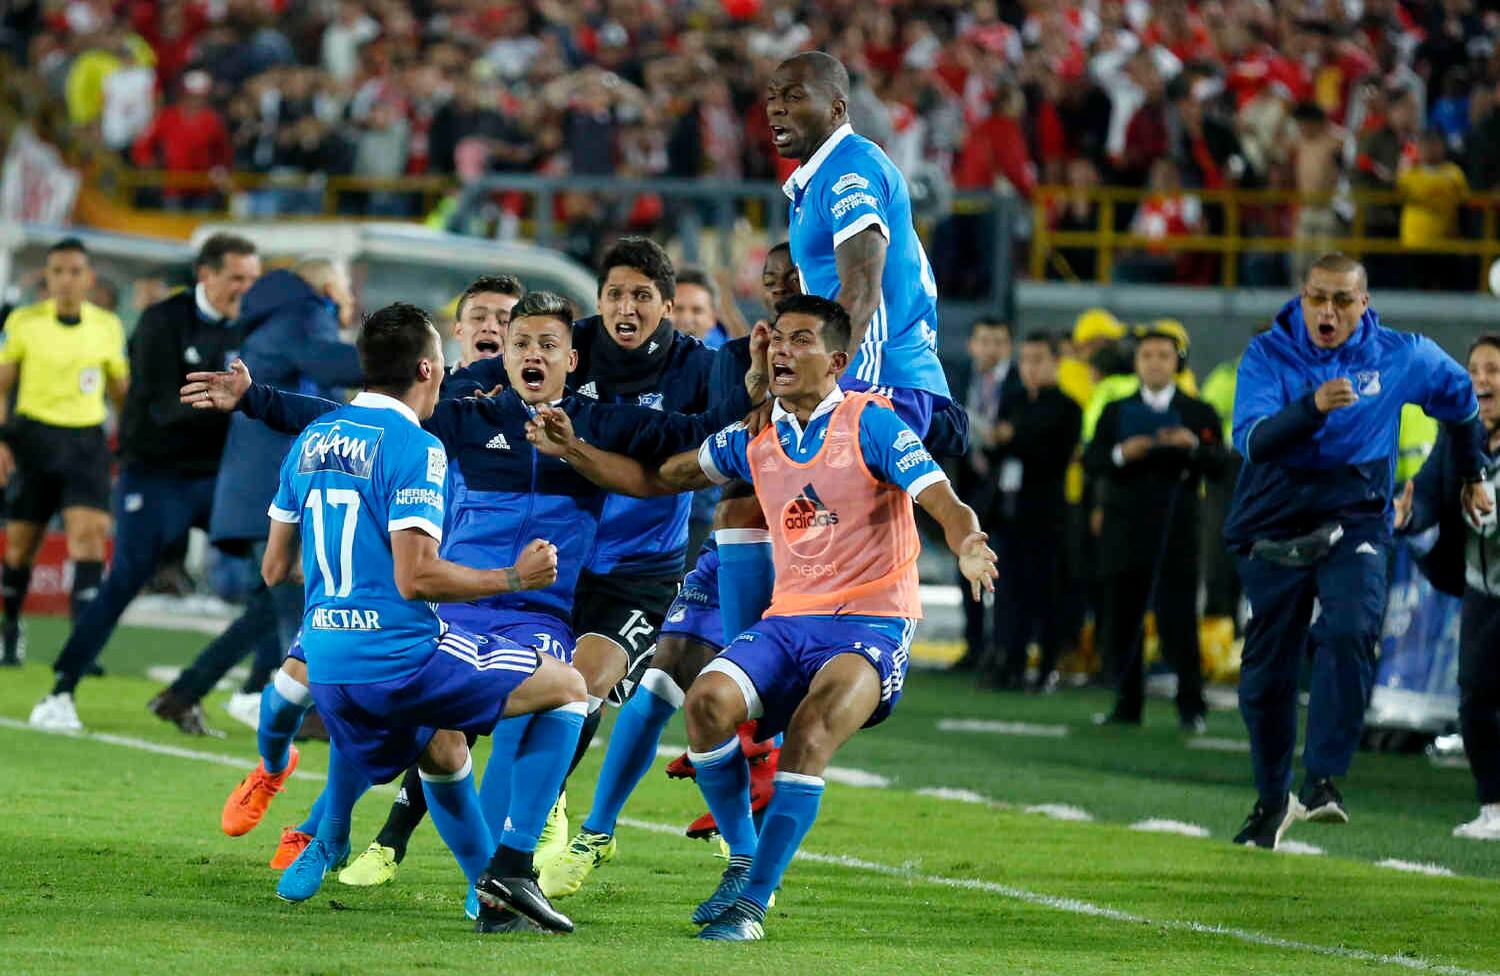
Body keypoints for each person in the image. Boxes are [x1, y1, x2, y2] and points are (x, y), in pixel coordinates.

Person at [186, 291, 756, 898]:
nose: (533, 354)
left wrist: (746, 389)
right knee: (386, 700)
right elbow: (359, 420)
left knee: (540, 709)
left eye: (548, 345)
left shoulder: (598, 425)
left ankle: (500, 870)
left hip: (536, 613)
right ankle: (332, 832)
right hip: (453, 603)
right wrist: (256, 399)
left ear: (571, 359)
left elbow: (688, 431)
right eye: (521, 343)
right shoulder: (469, 419)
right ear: (504, 356)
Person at [524, 295, 997, 941]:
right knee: (704, 704)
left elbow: (942, 499)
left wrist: (968, 543)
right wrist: (574, 448)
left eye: (801, 341)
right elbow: (658, 479)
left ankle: (750, 905)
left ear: (837, 362)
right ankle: (744, 857)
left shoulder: (872, 423)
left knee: (810, 731)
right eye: (778, 339)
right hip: (788, 621)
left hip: (870, 621)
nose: (781, 351)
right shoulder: (754, 436)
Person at [255, 300, 586, 934]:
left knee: (442, 746)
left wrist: (353, 580)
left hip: (326, 661)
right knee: (568, 688)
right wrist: (514, 578)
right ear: (429, 369)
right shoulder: (417, 446)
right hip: (399, 656)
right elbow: (418, 577)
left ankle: (476, 889)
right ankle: (514, 867)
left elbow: (275, 568)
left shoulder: (313, 437)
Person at [543, 246, 796, 895]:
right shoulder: (738, 358)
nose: (779, 289)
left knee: (757, 698)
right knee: (663, 677)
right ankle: (596, 831)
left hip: (789, 552)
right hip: (714, 542)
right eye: (771, 281)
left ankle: (749, 827)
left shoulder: (741, 361)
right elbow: (705, 456)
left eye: (791, 279)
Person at [1224, 252, 1491, 850]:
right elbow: (1255, 442)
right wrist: (1312, 407)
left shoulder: (1403, 354)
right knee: (1266, 677)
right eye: (1318, 298)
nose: (1329, 311)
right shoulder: (1268, 354)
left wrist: (1472, 471)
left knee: (1351, 629)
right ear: (1302, 297)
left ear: (1364, 304)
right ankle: (1271, 799)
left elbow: (1463, 404)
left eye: (1343, 300)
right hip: (1272, 518)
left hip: (1357, 517)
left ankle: (1322, 780)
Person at [32, 235, 260, 730]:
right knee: (126, 579)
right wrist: (228, 398)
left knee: (280, 579)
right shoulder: (163, 321)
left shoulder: (253, 323)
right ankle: (60, 693)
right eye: (236, 278)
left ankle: (233, 692)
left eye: (252, 279)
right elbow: (158, 407)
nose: (246, 289)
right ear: (206, 275)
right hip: (156, 474)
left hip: (219, 477)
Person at [146, 257, 362, 735]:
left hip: (258, 486)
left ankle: (184, 693)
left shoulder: (274, 320)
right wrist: (407, 362)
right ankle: (308, 710)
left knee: (272, 607)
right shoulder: (305, 315)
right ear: (329, 286)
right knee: (303, 603)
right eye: (346, 286)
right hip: (279, 490)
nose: (350, 298)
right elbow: (335, 364)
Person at [0, 240, 128, 684]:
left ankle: (81, 646)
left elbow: (120, 390)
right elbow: (2, 386)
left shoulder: (107, 326)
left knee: (89, 540)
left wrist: (130, 438)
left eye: (75, 271)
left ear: (88, 278)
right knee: (20, 547)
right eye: (58, 271)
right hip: (32, 440)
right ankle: (10, 630)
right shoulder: (23, 322)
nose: (66, 279)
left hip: (86, 442)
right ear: (48, 278)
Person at [1086, 330, 1224, 729]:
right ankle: (1127, 705)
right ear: (1136, 362)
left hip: (1176, 528)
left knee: (1178, 620)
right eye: (1147, 355)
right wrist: (1122, 453)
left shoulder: (1198, 411)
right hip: (1125, 527)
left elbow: (1220, 464)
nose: (1155, 363)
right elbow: (1093, 458)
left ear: (1177, 362)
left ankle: (1191, 706)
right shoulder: (1116, 409)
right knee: (1123, 618)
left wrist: (1192, 445)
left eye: (1164, 355)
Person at [1396, 334, 1500, 841]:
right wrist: (1407, 515)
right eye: (1474, 370)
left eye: (1493, 370)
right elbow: (1427, 493)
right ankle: (1494, 807)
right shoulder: (1459, 437)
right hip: (1482, 585)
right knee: (1475, 695)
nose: (1481, 380)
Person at [984, 332, 1081, 691]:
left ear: (1056, 362)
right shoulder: (1013, 400)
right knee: (1008, 591)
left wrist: (1014, 438)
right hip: (1009, 510)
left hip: (1047, 512)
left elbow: (1055, 457)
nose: (1030, 368)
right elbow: (999, 450)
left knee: (1046, 592)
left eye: (1038, 360)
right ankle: (1008, 662)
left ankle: (1046, 667)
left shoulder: (1068, 408)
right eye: (1025, 360)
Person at [946, 316, 1020, 671]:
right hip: (966, 485)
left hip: (1007, 490)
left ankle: (1002, 648)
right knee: (965, 564)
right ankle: (974, 645)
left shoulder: (1020, 382)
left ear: (1008, 346)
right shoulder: (957, 380)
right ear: (972, 345)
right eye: (984, 341)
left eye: (998, 341)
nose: (991, 348)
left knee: (1006, 570)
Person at [440, 274, 523, 398]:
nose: (490, 327)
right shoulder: (428, 389)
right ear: (458, 331)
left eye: (505, 321)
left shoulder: (536, 398)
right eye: (478, 317)